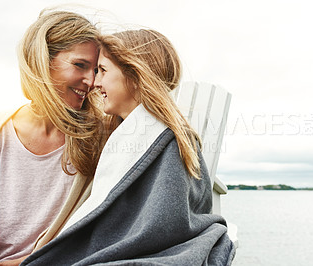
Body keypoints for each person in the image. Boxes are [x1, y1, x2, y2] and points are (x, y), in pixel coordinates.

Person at [21, 29, 236, 265]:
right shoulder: (120, 136)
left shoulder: (166, 141)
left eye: (102, 70)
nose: (95, 82)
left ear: (134, 74)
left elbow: (161, 228)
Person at [0, 9, 106, 265]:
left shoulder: (101, 137)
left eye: (97, 70)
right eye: (80, 65)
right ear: (43, 61)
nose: (91, 81)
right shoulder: (2, 132)